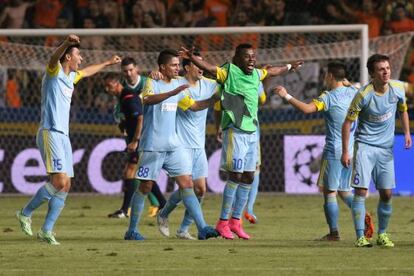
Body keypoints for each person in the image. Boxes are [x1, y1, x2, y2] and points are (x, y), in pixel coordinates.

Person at [180, 43, 302, 239]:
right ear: (237, 58)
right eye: (247, 56)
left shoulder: (256, 75)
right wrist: (191, 57)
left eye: (253, 56)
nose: (251, 59)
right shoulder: (229, 71)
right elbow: (210, 68)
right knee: (235, 176)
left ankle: (236, 221)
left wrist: (289, 67)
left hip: (252, 132)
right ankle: (222, 222)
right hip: (235, 132)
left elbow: (272, 71)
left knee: (248, 176)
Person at [15, 34, 121, 245]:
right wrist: (66, 43)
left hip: (63, 135)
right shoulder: (54, 73)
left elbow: (87, 72)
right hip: (50, 131)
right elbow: (53, 58)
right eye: (78, 55)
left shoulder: (71, 78)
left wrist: (108, 62)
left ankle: (46, 230)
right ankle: (25, 213)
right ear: (67, 58)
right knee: (59, 181)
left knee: (66, 185)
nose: (80, 59)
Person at [124, 49, 218, 241]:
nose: (177, 68)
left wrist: (214, 100)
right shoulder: (153, 82)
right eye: (174, 65)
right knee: (145, 187)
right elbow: (148, 100)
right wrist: (173, 92)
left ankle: (202, 227)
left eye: (178, 65)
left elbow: (193, 106)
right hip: (153, 146)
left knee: (187, 184)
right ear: (162, 67)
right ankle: (131, 230)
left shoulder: (177, 84)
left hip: (173, 146)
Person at [273, 61, 374, 241]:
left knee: (329, 192)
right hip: (350, 150)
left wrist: (285, 95)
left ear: (330, 77)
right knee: (344, 191)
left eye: (326, 75)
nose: (324, 78)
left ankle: (334, 233)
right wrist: (346, 82)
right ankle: (363, 213)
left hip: (334, 150)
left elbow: (306, 109)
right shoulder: (353, 92)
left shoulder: (328, 97)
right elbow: (351, 86)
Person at [341, 54, 412, 248]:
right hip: (365, 146)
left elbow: (402, 110)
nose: (386, 72)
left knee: (387, 194)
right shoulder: (364, 95)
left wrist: (406, 133)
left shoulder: (397, 90)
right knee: (361, 191)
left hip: (386, 149)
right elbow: (347, 123)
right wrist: (346, 151)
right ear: (372, 74)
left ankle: (382, 234)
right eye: (381, 69)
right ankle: (360, 237)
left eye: (387, 68)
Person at [154, 52, 219, 240]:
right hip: (180, 145)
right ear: (187, 67)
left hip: (199, 145)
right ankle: (167, 215)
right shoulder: (178, 85)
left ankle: (182, 228)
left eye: (203, 63)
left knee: (200, 190)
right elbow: (195, 106)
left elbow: (228, 82)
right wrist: (154, 74)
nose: (202, 67)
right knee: (187, 186)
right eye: (198, 63)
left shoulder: (209, 84)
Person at [107, 57, 166, 219]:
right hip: (134, 133)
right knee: (140, 172)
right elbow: (119, 113)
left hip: (149, 132)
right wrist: (122, 123)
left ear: (137, 69)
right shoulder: (121, 90)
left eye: (131, 70)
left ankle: (129, 209)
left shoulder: (149, 81)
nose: (129, 73)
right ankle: (160, 203)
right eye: (125, 71)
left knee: (135, 171)